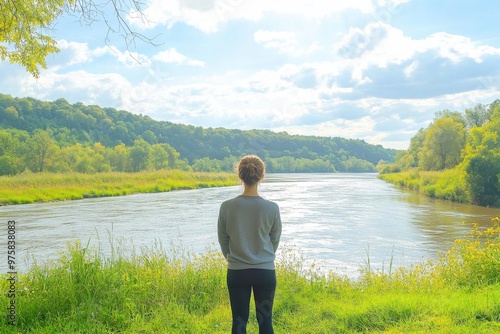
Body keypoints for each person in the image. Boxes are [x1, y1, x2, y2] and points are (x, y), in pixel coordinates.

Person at [218, 155, 282, 334]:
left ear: (240, 175)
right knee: (265, 322)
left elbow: (223, 239)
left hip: (237, 272)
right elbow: (274, 240)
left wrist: (234, 258)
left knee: (238, 321)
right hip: (265, 272)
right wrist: (264, 257)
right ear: (261, 176)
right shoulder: (272, 208)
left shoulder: (227, 207)